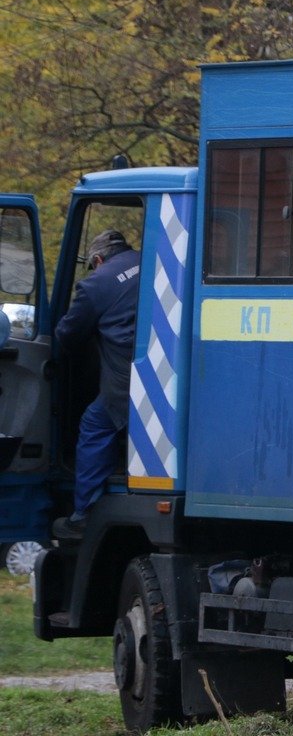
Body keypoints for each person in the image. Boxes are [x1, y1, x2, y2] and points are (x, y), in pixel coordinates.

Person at [52, 230, 140, 539]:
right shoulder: (149, 262)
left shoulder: (96, 284)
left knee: (95, 423)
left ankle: (84, 513)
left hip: (128, 382)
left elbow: (67, 335)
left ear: (99, 259)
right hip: (161, 374)